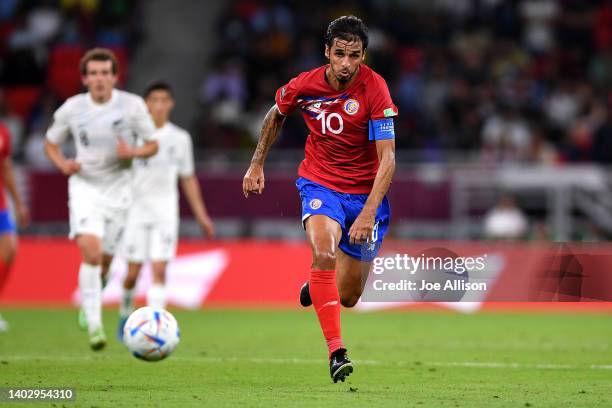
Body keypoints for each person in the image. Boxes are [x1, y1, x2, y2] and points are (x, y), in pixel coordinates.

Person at [242, 15, 397, 383]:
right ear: (327, 52)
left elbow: (388, 159)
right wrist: (256, 163)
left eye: (354, 56)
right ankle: (336, 351)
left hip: (363, 194)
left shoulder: (375, 90)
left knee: (348, 296)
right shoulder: (305, 85)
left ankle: (317, 284)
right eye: (340, 54)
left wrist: (367, 213)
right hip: (319, 183)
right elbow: (276, 114)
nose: (346, 63)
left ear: (363, 56)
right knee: (324, 252)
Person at [44, 48, 158, 350]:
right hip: (85, 188)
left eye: (105, 73)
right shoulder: (72, 108)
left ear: (114, 76)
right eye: (93, 73)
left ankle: (90, 298)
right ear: (84, 78)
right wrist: (62, 164)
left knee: (105, 263)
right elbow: (51, 143)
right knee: (91, 255)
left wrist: (132, 152)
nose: (99, 79)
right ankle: (95, 325)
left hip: (120, 192)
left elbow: (152, 145)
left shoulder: (132, 106)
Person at [117, 81, 215, 339]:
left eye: (164, 100)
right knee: (132, 274)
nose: (159, 106)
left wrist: (201, 214)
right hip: (135, 212)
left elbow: (188, 178)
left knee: (159, 270)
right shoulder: (132, 136)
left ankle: (155, 326)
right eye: (154, 100)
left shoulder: (180, 138)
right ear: (146, 104)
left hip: (165, 212)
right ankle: (125, 311)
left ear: (170, 103)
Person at [0, 122, 29, 331]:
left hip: (0, 204)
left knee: (9, 249)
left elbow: (5, 167)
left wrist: (18, 203)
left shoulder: (2, 131)